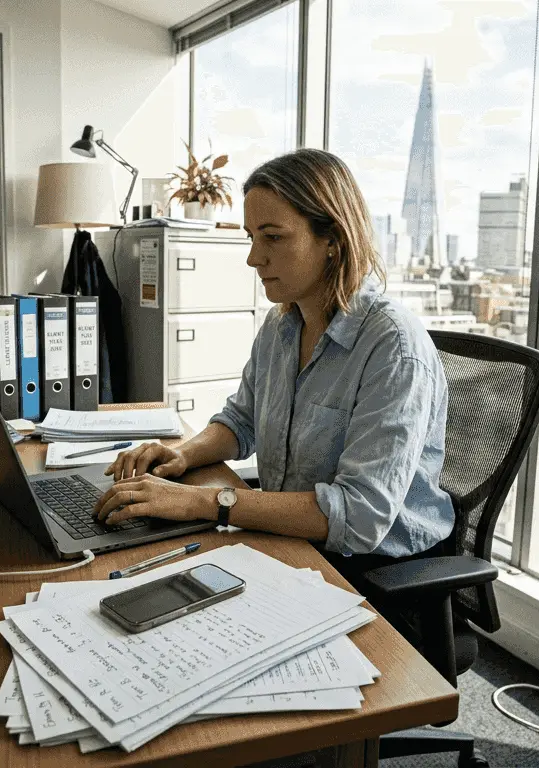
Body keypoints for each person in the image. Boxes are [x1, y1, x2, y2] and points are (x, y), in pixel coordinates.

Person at [92, 149, 455, 577]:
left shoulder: (391, 345)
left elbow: (360, 517)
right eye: (251, 237)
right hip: (292, 537)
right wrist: (180, 455)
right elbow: (240, 421)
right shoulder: (282, 324)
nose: (253, 258)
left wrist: (200, 501)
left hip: (372, 566)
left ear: (333, 241)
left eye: (273, 237)